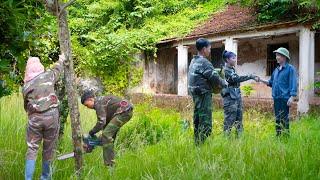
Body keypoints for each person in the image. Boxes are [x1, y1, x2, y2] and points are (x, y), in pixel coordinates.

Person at [23, 54, 65, 180]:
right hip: (52, 117)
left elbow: (26, 106)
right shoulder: (48, 75)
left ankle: (28, 178)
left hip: (35, 119)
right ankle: (45, 177)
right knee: (48, 150)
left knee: (32, 149)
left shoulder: (26, 87)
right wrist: (61, 59)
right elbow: (57, 69)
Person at [187, 38, 228, 145]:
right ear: (204, 49)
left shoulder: (193, 60)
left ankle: (196, 143)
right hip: (203, 95)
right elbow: (215, 79)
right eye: (209, 48)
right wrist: (224, 83)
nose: (210, 50)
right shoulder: (204, 62)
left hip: (195, 95)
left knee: (197, 119)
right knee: (205, 122)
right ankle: (202, 145)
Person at [81, 91, 133, 166]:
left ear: (91, 99)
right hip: (124, 112)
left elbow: (101, 122)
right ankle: (111, 161)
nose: (87, 107)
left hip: (124, 112)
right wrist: (96, 141)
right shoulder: (102, 101)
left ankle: (110, 165)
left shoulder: (98, 103)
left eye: (86, 105)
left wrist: (91, 132)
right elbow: (106, 123)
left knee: (106, 135)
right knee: (107, 136)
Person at [258, 47, 297, 136]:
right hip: (276, 98)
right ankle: (278, 136)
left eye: (278, 55)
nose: (276, 57)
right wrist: (260, 80)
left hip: (285, 98)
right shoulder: (276, 70)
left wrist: (292, 97)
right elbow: (271, 83)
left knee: (284, 118)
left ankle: (286, 136)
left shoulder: (290, 69)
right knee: (278, 118)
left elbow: (293, 83)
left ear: (284, 57)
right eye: (276, 55)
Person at [221, 50, 258, 137]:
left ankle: (239, 139)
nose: (235, 60)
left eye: (235, 58)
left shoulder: (232, 69)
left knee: (239, 119)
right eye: (233, 58)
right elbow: (236, 79)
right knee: (229, 120)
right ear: (227, 59)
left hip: (236, 97)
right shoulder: (226, 70)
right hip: (230, 99)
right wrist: (250, 76)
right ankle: (226, 140)